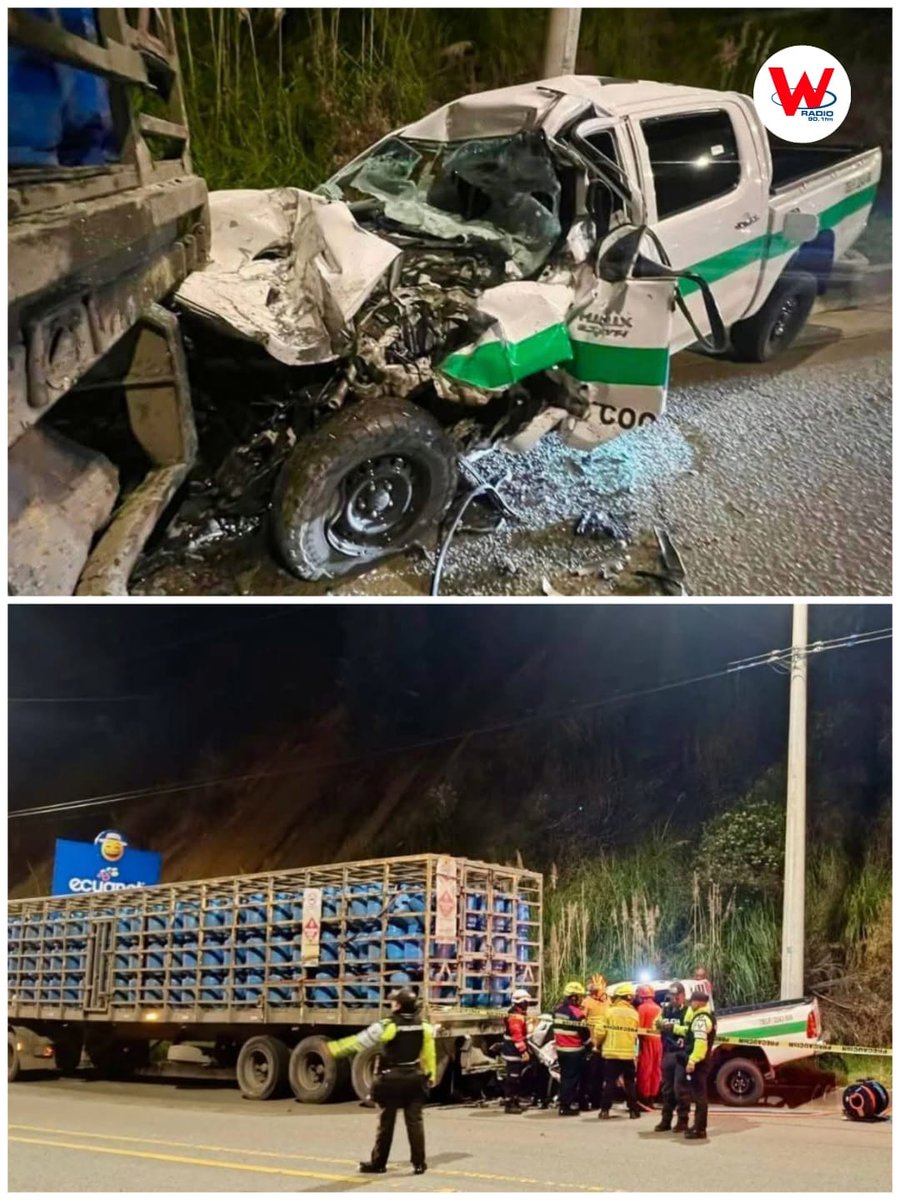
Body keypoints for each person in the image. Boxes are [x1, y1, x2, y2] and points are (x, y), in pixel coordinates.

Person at [326, 987, 435, 1174]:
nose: (391, 1004)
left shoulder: (387, 1025)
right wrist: (431, 1075)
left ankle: (378, 1163)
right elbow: (429, 1053)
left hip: (392, 1080)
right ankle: (419, 1164)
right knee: (415, 1123)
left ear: (399, 1005)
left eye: (394, 1001)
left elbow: (360, 1041)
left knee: (386, 1123)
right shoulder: (424, 1026)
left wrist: (334, 1049)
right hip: (414, 1079)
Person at [595, 982, 641, 1119]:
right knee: (630, 1082)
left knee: (609, 1082)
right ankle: (634, 1111)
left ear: (618, 997)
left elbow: (599, 1031)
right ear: (629, 998)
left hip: (612, 1053)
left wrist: (598, 1044)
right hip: (628, 1054)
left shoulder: (609, 1012)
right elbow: (635, 1034)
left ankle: (604, 1111)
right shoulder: (634, 1014)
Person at [677, 987, 717, 1140]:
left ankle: (700, 1129)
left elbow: (700, 1044)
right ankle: (697, 1126)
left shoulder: (701, 1019)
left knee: (700, 1097)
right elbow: (690, 1033)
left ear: (699, 1003)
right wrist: (673, 1028)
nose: (690, 1004)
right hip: (703, 1061)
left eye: (692, 1001)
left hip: (699, 1062)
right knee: (699, 1095)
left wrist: (692, 1061)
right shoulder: (705, 1016)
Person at [653, 981, 689, 1132]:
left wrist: (675, 1028)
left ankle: (683, 1120)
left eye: (677, 996)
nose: (674, 999)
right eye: (671, 996)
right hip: (668, 1053)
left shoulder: (688, 1011)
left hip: (681, 1053)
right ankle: (666, 1120)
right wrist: (660, 1024)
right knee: (667, 1089)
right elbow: (655, 1024)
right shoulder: (665, 1010)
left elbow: (690, 1030)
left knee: (679, 1089)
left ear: (683, 996)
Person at [552, 980, 591, 1115]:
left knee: (565, 1078)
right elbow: (585, 1034)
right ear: (574, 997)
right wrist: (590, 1046)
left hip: (561, 1049)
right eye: (580, 996)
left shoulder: (557, 1011)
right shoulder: (577, 1014)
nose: (581, 999)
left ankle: (565, 1103)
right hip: (574, 1051)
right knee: (571, 1079)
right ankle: (566, 1106)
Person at [501, 987, 532, 1113]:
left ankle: (514, 1101)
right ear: (521, 1003)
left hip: (513, 1049)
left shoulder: (518, 1014)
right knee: (513, 1078)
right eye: (526, 1003)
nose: (527, 1005)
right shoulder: (515, 1016)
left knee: (516, 1077)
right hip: (512, 1051)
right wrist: (523, 1051)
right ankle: (509, 1104)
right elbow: (517, 1035)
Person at [635, 983, 662, 1108]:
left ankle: (644, 1098)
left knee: (645, 1069)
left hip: (647, 1041)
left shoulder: (642, 1008)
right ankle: (652, 1096)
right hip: (658, 1041)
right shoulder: (659, 1008)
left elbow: (638, 1028)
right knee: (656, 1070)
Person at [584, 974, 609, 1110]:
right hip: (592, 1044)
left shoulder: (608, 1002)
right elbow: (582, 1019)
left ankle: (598, 1100)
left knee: (601, 1075)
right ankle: (593, 1099)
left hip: (604, 1044)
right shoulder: (587, 1002)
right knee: (593, 1074)